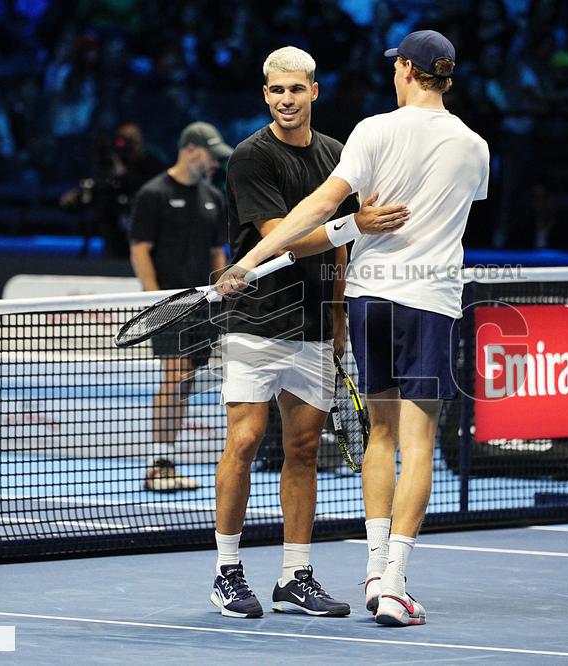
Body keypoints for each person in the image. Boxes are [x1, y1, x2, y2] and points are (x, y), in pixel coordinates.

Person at [216, 30, 489, 627]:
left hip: (368, 302)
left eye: (398, 67)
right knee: (415, 443)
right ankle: (392, 581)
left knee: (375, 437)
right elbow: (454, 208)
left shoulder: (370, 131)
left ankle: (365, 570)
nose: (393, 74)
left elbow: (319, 208)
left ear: (411, 72)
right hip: (428, 299)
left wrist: (244, 265)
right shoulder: (475, 146)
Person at [209, 46, 409, 619]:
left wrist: (340, 309)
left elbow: (341, 246)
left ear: (314, 92)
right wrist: (352, 220)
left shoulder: (336, 154)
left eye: (296, 89)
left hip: (315, 324)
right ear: (265, 94)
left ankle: (295, 576)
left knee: (302, 450)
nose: (287, 100)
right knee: (245, 440)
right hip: (255, 320)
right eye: (276, 91)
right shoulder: (250, 157)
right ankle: (227, 571)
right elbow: (283, 237)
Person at [129, 121, 232, 492]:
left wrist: (223, 293)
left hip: (205, 307)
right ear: (190, 150)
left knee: (184, 381)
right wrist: (155, 302)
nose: (215, 166)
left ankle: (166, 461)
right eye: (210, 157)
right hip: (168, 305)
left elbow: (216, 252)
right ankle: (158, 465)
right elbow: (140, 249)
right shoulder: (153, 194)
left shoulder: (213, 197)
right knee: (174, 378)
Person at [61, 122, 165, 257]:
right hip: (114, 238)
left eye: (132, 140)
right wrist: (78, 195)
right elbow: (99, 187)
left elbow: (145, 188)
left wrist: (122, 174)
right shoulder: (109, 164)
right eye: (123, 139)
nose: (127, 145)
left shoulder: (151, 162)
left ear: (140, 140)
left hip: (145, 237)